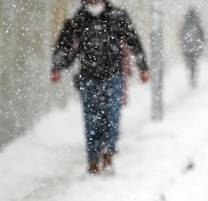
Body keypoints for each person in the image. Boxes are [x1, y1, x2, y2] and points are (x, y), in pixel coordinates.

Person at [51, 0, 149, 175]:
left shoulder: (117, 16)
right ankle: (93, 158)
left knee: (112, 116)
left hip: (114, 76)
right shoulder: (77, 19)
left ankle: (108, 152)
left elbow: (134, 42)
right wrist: (57, 67)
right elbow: (64, 47)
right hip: (88, 77)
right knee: (92, 119)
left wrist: (143, 67)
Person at [181, 8, 206, 88]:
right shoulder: (197, 23)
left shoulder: (185, 23)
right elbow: (202, 35)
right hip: (195, 48)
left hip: (186, 48)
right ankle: (193, 76)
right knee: (194, 64)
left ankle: (191, 75)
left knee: (189, 63)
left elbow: (181, 35)